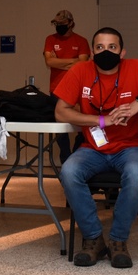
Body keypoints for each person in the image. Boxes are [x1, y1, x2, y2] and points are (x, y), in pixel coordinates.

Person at [54, 27, 138, 268]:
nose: (106, 52)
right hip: (92, 148)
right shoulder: (80, 71)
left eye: (112, 47)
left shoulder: (136, 68)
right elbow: (60, 112)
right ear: (92, 52)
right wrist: (101, 121)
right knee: (69, 172)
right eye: (100, 47)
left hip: (130, 147)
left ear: (122, 52)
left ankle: (118, 241)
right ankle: (93, 239)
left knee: (135, 175)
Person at [43, 9, 90, 163]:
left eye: (62, 24)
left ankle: (76, 155)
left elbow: (83, 64)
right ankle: (65, 158)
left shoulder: (81, 41)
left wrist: (60, 62)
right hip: (56, 89)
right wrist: (73, 61)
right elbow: (49, 62)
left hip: (78, 89)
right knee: (60, 127)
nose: (59, 27)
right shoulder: (50, 39)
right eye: (56, 24)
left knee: (84, 123)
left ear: (71, 24)